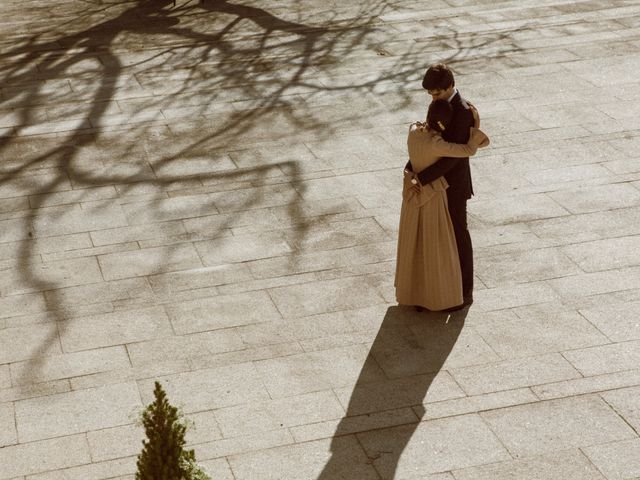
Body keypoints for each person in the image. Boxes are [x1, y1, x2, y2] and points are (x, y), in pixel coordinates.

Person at [395, 99, 488, 311]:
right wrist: (477, 126)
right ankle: (437, 298)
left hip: (412, 197)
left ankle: (416, 294)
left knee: (417, 245)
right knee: (436, 248)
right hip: (432, 197)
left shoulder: (413, 131)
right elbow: (468, 150)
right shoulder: (438, 144)